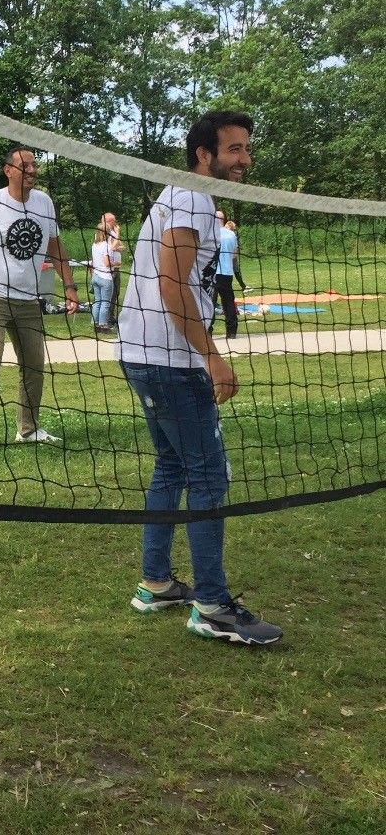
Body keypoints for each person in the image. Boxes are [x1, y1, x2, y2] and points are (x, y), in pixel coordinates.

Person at [118, 111, 282, 644]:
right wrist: (212, 355)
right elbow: (171, 284)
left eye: (246, 148)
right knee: (210, 478)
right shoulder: (192, 196)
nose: (244, 159)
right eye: (234, 149)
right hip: (169, 359)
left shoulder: (183, 196)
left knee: (172, 467)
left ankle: (157, 582)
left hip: (143, 354)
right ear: (203, 154)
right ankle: (211, 605)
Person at [0, 146, 79, 456]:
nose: (32, 171)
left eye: (34, 165)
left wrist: (70, 286)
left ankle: (28, 429)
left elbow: (55, 246)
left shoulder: (44, 203)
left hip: (28, 299)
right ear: (8, 170)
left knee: (34, 366)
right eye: (24, 166)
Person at [215, 215, 240, 339]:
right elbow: (235, 254)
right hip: (227, 272)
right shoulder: (231, 235)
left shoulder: (210, 233)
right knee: (228, 302)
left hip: (213, 273)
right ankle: (232, 332)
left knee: (209, 302)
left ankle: (208, 330)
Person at [89, 224, 115, 333]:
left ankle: (95, 323)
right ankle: (103, 325)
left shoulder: (94, 245)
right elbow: (106, 262)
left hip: (95, 276)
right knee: (105, 303)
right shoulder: (106, 246)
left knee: (97, 302)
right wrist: (116, 263)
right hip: (105, 277)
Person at [102, 212, 123, 327]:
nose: (115, 223)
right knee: (109, 294)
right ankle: (107, 319)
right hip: (109, 268)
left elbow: (121, 246)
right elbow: (113, 247)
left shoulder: (113, 232)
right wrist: (118, 234)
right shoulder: (104, 232)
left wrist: (117, 247)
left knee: (116, 293)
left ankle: (111, 316)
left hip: (116, 267)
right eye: (113, 221)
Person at [225, 220, 251, 294]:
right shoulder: (231, 235)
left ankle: (243, 286)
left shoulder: (226, 234)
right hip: (229, 257)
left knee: (236, 273)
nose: (234, 230)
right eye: (233, 229)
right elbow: (235, 249)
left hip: (230, 257)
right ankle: (243, 287)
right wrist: (234, 256)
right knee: (230, 274)